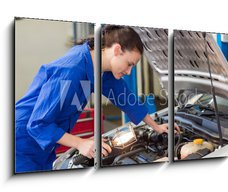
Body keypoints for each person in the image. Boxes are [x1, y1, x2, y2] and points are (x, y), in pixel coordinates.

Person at [15, 25, 179, 173]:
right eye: (129, 64)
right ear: (116, 50)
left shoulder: (98, 67)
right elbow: (38, 124)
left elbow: (126, 98)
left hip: (43, 147)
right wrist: (81, 143)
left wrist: (156, 127)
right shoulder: (72, 70)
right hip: (20, 143)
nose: (129, 71)